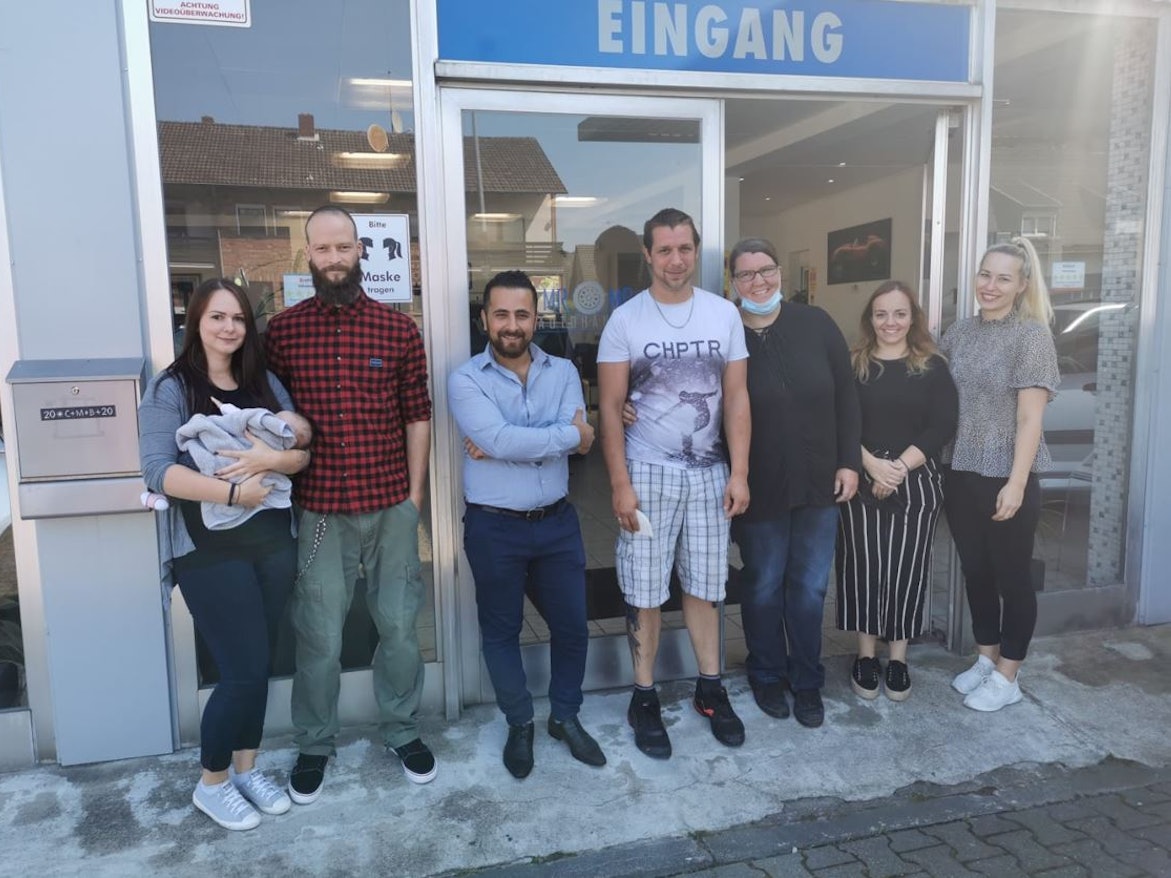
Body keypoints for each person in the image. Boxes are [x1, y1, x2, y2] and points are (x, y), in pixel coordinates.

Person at [265, 205, 435, 803]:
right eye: (323, 249)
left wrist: (415, 497)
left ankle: (402, 729)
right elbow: (270, 418)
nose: (334, 258)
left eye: (343, 247)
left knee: (400, 627)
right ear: (307, 254)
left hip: (390, 505)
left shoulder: (397, 330)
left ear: (361, 250)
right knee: (318, 636)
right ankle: (315, 743)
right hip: (319, 511)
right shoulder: (283, 333)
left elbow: (417, 414)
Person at [139, 278, 312, 830]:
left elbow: (301, 451)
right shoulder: (172, 387)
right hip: (208, 550)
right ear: (196, 322)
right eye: (217, 317)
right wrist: (235, 493)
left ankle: (245, 768)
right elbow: (157, 472)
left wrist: (272, 461)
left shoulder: (263, 381)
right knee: (241, 670)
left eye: (237, 318)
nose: (229, 328)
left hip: (272, 543)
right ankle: (211, 783)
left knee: (260, 664)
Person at [597, 208, 751, 760]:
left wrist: (740, 472)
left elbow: (736, 397)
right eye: (664, 250)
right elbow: (610, 407)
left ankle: (710, 687)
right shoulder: (625, 321)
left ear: (696, 250)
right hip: (647, 473)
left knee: (706, 586)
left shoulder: (723, 314)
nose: (675, 260)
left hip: (710, 474)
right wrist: (619, 483)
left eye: (684, 248)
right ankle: (644, 695)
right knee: (643, 590)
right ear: (648, 254)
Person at [449, 270, 605, 779]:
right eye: (501, 314)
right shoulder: (465, 379)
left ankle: (565, 716)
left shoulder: (563, 370)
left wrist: (507, 442)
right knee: (501, 631)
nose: (512, 325)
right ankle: (520, 723)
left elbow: (563, 441)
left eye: (522, 314)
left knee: (572, 627)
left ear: (537, 319)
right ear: (484, 319)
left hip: (557, 524)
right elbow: (529, 438)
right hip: (494, 528)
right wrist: (562, 436)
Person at [727, 237, 860, 729]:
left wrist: (849, 462)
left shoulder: (816, 323)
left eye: (766, 270)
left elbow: (847, 395)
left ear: (780, 272)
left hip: (819, 482)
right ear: (733, 282)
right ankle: (765, 672)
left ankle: (806, 680)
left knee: (809, 586)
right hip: (758, 484)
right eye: (746, 274)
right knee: (763, 584)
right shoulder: (725, 332)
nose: (759, 281)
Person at [942, 236, 1059, 712]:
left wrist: (1016, 482)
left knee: (1012, 576)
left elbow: (1030, 418)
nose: (990, 285)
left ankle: (1009, 674)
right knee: (976, 571)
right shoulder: (959, 332)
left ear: (1022, 285)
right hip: (960, 469)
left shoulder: (1031, 336)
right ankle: (986, 658)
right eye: (985, 274)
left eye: (1003, 278)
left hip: (1007, 474)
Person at [835, 281, 957, 702]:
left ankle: (899, 659)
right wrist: (871, 465)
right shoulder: (854, 364)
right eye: (881, 314)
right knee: (863, 566)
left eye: (899, 313)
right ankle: (866, 656)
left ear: (912, 318)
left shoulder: (933, 366)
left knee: (908, 568)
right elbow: (839, 419)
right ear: (870, 319)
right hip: (861, 476)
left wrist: (899, 468)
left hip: (916, 478)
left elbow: (943, 424)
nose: (891, 322)